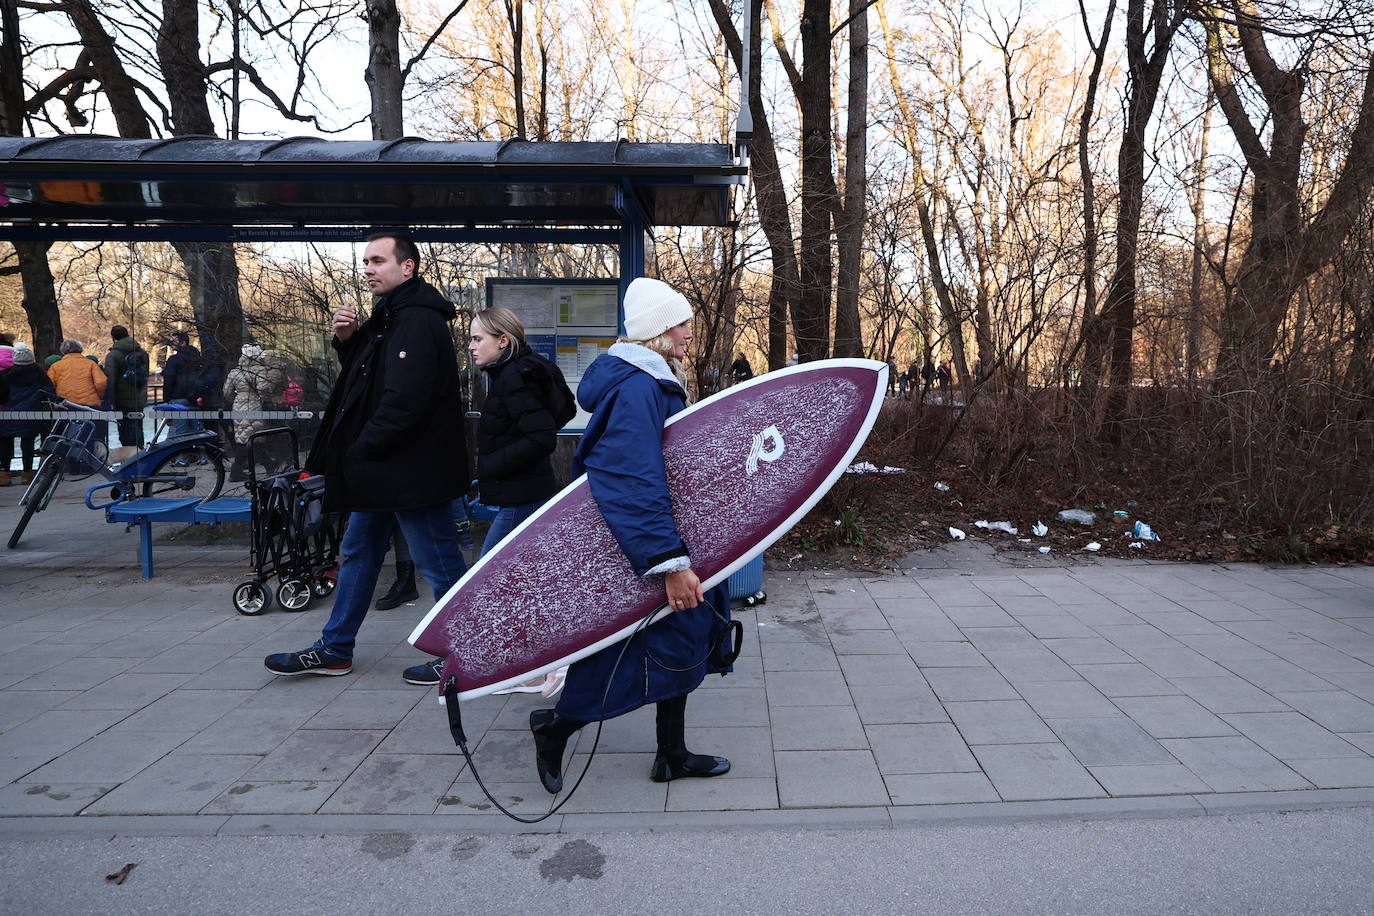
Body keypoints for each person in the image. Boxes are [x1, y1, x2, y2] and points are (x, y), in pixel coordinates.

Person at [528, 276, 732, 793]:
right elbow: (629, 478)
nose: (689, 331)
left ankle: (672, 754)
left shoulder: (650, 380)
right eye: (681, 322)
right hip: (647, 548)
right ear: (659, 331)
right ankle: (556, 728)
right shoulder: (639, 387)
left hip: (664, 539)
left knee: (682, 642)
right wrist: (669, 561)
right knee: (622, 650)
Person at [265, 231, 468, 678]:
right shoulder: (392, 315)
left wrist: (359, 451)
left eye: (378, 261)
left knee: (439, 562)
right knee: (358, 553)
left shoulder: (417, 319)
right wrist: (348, 339)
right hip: (384, 470)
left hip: (411, 471)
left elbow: (404, 400)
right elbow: (373, 380)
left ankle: (468, 654)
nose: (368, 269)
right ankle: (335, 647)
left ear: (407, 267)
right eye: (365, 262)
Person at [402, 305, 576, 690]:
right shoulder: (519, 372)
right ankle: (532, 668)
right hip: (526, 493)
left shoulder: (515, 378)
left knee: (482, 583)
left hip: (522, 498)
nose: (470, 346)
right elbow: (552, 418)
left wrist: (490, 465)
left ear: (503, 341)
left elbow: (541, 437)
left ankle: (464, 663)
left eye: (477, 338)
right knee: (519, 586)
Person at [222, 344, 282, 480]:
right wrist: (264, 397)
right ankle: (237, 471)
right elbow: (263, 389)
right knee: (253, 437)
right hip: (253, 404)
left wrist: (237, 399)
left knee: (246, 437)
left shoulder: (234, 372)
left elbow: (226, 392)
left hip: (238, 405)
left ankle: (268, 465)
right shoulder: (258, 370)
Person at [0, 345, 56, 486]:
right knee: (27, 444)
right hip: (31, 412)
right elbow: (50, 392)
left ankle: (5, 474)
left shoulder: (5, 375)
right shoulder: (40, 374)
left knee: (5, 443)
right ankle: (27, 474)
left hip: (8, 413)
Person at [103, 325, 149, 448]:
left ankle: (129, 459)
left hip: (122, 400)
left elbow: (110, 380)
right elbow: (145, 375)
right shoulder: (143, 353)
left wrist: (110, 401)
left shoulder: (113, 355)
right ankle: (140, 455)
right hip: (139, 397)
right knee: (138, 427)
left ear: (113, 337)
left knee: (125, 430)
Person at [162, 331, 205, 438]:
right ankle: (200, 454)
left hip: (178, 399)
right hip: (195, 400)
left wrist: (167, 398)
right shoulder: (198, 359)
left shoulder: (174, 360)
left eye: (174, 341)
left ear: (183, 342)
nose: (171, 343)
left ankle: (183, 455)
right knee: (197, 434)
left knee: (181, 435)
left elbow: (169, 380)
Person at [48, 340, 108, 408]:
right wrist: (98, 396)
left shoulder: (55, 366)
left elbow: (49, 385)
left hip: (65, 404)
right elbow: (101, 382)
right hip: (89, 404)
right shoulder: (90, 364)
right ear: (80, 349)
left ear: (63, 350)